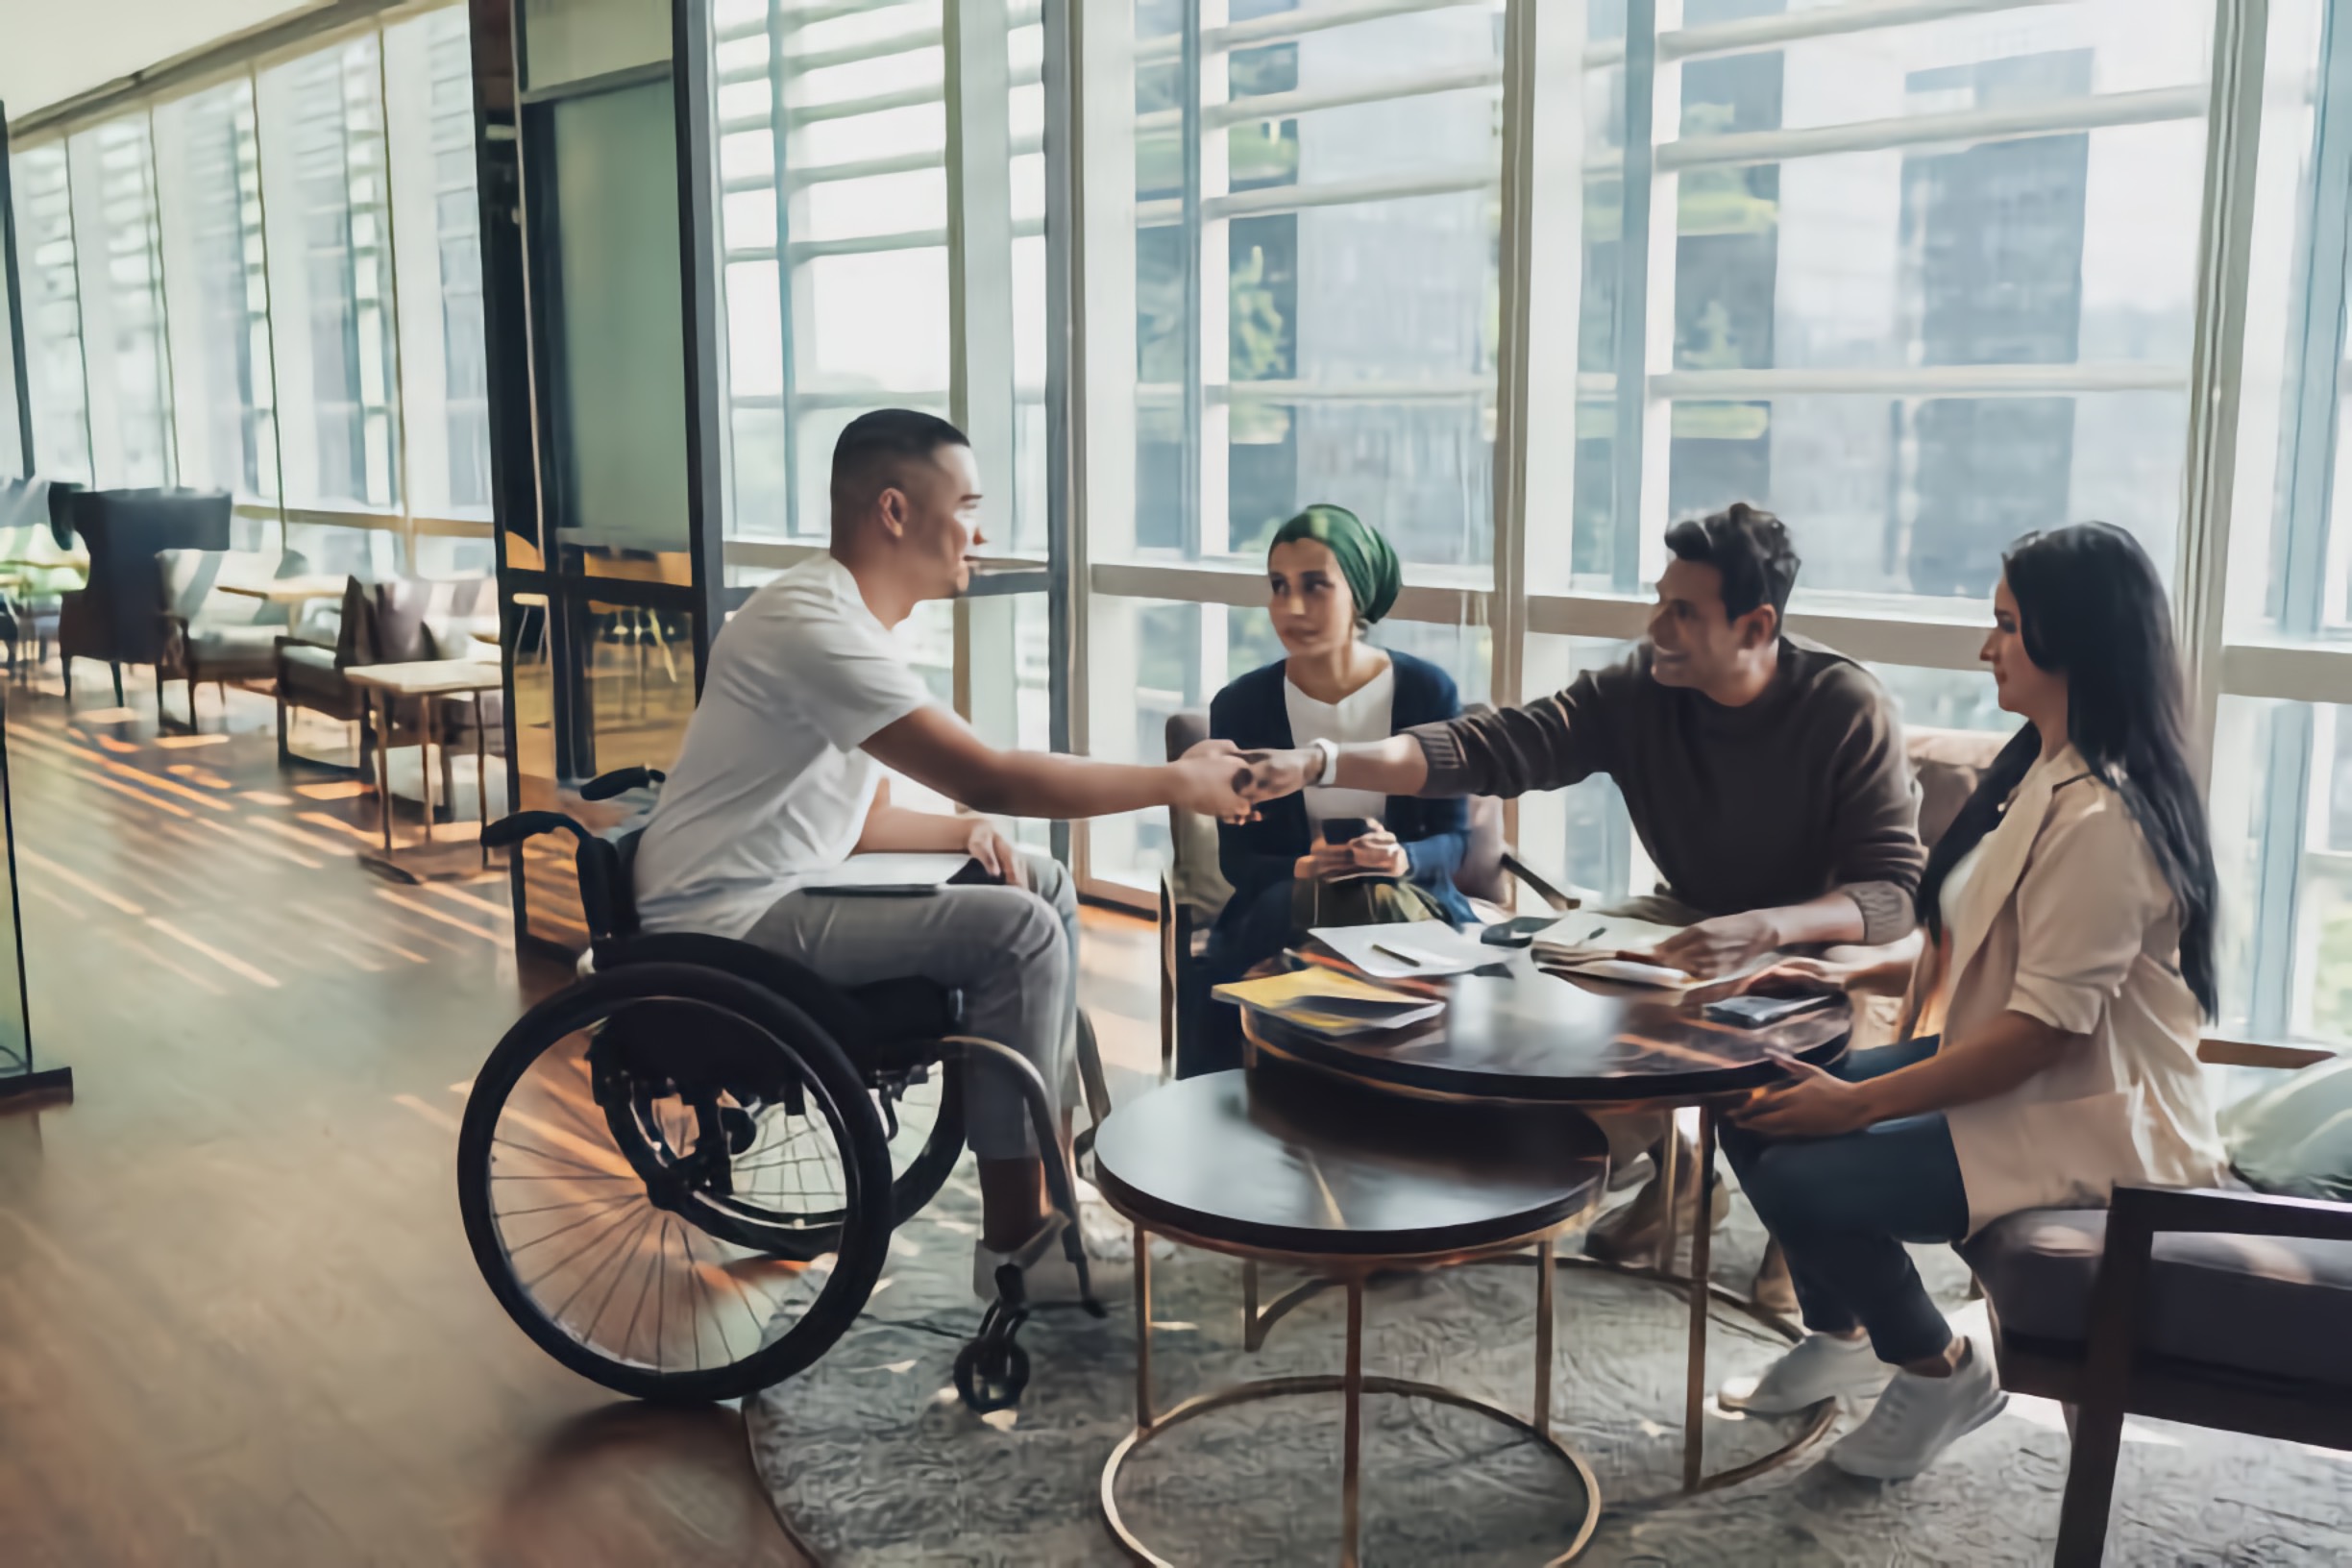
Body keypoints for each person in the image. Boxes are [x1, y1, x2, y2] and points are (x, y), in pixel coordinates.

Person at [630, 409, 1253, 1306]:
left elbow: (857, 817)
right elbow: (989, 774)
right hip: (724, 918)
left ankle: (1056, 1184)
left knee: (1032, 876)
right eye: (968, 504)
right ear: (895, 510)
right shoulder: (815, 626)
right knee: (1020, 938)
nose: (982, 531)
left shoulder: (851, 616)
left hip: (772, 882)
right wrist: (1174, 783)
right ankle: (1019, 1250)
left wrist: (959, 832)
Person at [1235, 502, 1926, 1263]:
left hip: (1820, 936)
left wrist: (1770, 929)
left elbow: (1892, 895)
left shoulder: (1844, 707)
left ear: (1756, 628)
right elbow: (1491, 747)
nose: (1657, 627)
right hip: (1685, 910)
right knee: (1539, 976)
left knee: (1787, 1140)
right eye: (1659, 602)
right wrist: (1322, 762)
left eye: (1684, 612)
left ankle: (1805, 1249)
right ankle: (1673, 1180)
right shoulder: (1641, 688)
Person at [1713, 522, 2226, 1481]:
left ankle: (1939, 1366)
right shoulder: (2042, 769)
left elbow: (2039, 1038)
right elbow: (1985, 943)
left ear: (2068, 638)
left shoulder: (2104, 817)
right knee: (1748, 1095)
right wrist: (1841, 977)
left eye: (2005, 625)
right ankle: (1842, 1335)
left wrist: (1858, 1103)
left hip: (2096, 1116)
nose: (1985, 647)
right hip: (2034, 1065)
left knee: (1799, 1175)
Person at [1191, 504, 1472, 1078]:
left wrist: (1404, 858)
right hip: (1282, 909)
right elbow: (1239, 859)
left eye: (1315, 586)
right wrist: (1303, 866)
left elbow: (1455, 838)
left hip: (1409, 900)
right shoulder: (1241, 705)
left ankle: (1327, 1096)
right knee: (1353, 914)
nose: (1291, 607)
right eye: (1278, 586)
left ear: (1359, 594)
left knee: (1377, 900)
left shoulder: (1425, 691)